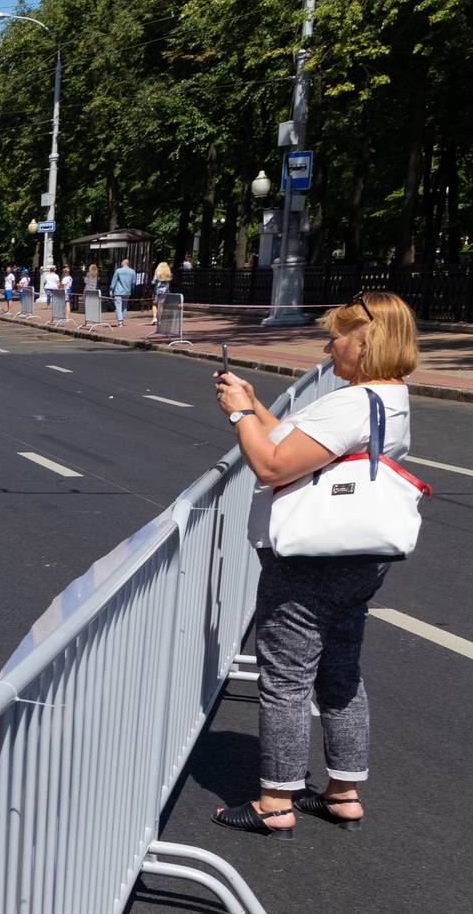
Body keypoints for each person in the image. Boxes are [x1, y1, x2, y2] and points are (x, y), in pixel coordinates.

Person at [209, 291, 418, 839]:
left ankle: (275, 801)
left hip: (309, 560)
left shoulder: (354, 402)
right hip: (359, 558)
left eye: (337, 336)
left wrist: (236, 414)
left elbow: (273, 462)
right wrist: (255, 405)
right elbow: (304, 445)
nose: (329, 346)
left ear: (365, 341)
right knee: (339, 672)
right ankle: (343, 792)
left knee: (285, 678)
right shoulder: (391, 398)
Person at [111, 257, 137, 324]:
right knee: (124, 306)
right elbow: (133, 283)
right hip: (127, 291)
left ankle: (120, 320)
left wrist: (111, 289)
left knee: (118, 306)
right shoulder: (132, 271)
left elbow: (114, 281)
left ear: (123, 263)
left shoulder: (118, 271)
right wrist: (131, 288)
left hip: (118, 291)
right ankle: (122, 319)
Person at [152, 261, 174, 326]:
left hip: (157, 291)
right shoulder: (168, 274)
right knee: (161, 305)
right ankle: (160, 319)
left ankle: (154, 318)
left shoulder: (157, 273)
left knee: (155, 304)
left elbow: (153, 282)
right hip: (165, 291)